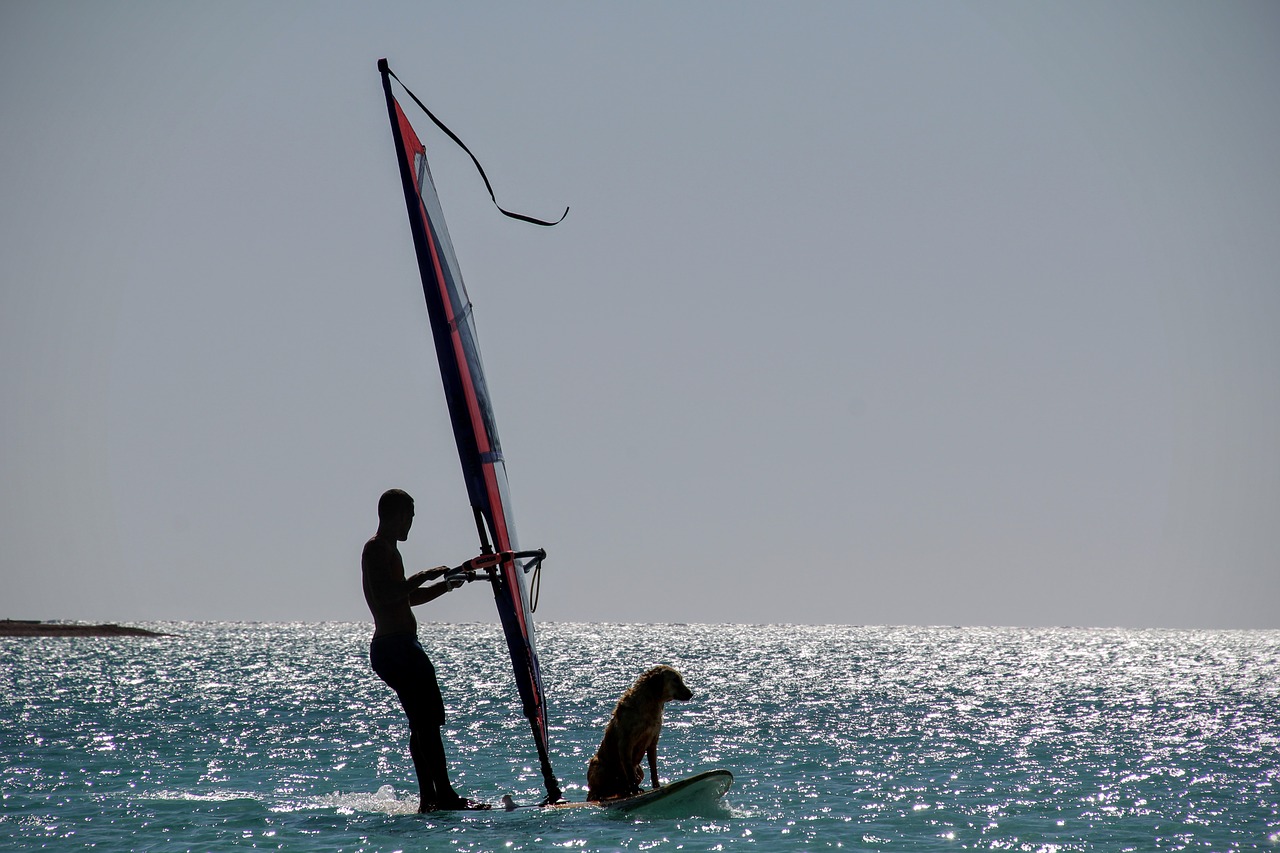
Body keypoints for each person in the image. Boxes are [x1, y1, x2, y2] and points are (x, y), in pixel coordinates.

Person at [362, 488, 490, 812]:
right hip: (394, 647)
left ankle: (429, 799)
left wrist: (446, 585)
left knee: (421, 723)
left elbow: (405, 598)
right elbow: (385, 595)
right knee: (427, 721)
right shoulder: (376, 549)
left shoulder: (391, 551)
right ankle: (443, 795)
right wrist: (423, 575)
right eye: (411, 518)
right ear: (398, 515)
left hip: (399, 646)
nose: (411, 525)